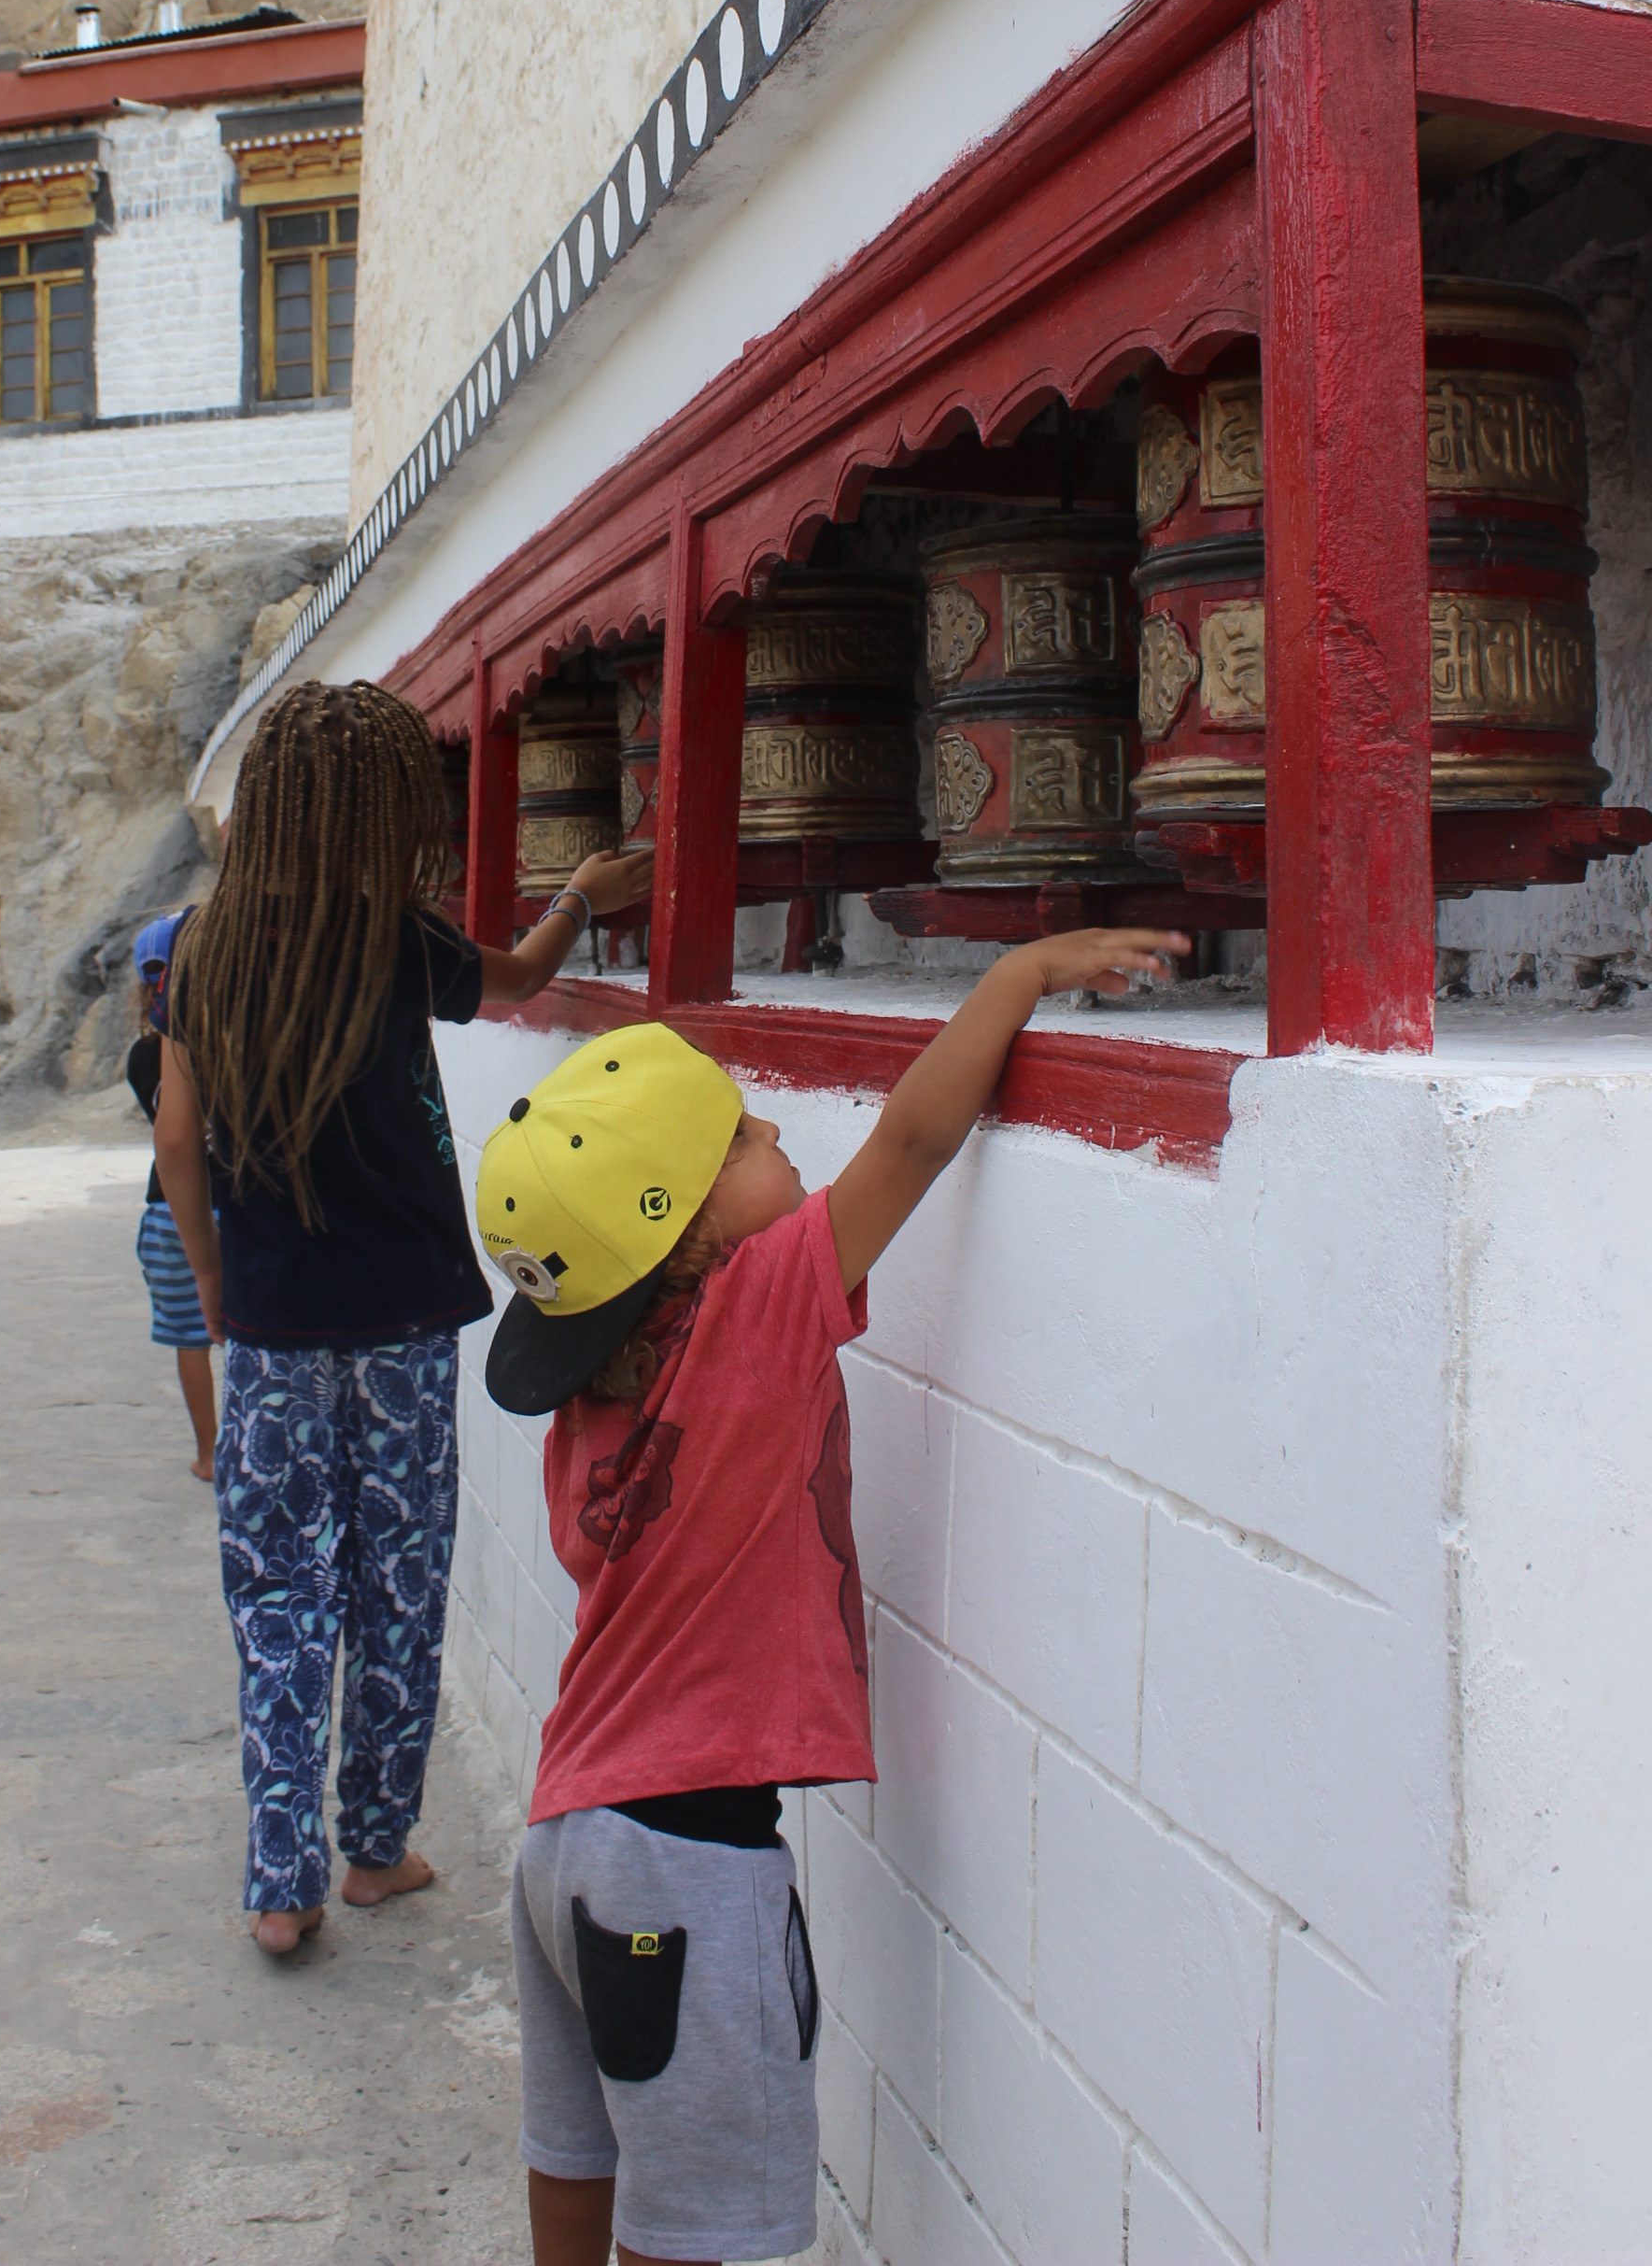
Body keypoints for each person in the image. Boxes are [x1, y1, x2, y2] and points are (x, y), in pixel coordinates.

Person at [476, 924, 1187, 2266]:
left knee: (577, 2155)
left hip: (566, 1844)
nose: (775, 1136)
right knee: (692, 2224)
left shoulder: (588, 1409)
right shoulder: (756, 1312)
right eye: (742, 1139)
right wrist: (1018, 974)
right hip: (687, 1867)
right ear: (688, 1235)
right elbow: (912, 1143)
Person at [155, 676, 653, 1958]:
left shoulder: (202, 948)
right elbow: (524, 978)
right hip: (402, 1329)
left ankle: (281, 1881)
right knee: (399, 1575)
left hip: (271, 1329)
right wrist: (581, 894)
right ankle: (375, 1849)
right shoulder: (393, 938)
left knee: (278, 1590)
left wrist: (211, 1282)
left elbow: (176, 1140)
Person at [125, 912, 216, 1481]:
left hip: (169, 1209)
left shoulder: (142, 1057)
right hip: (237, 1202)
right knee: (251, 1335)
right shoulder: (230, 1041)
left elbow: (172, 1137)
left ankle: (209, 1453)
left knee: (189, 1338)